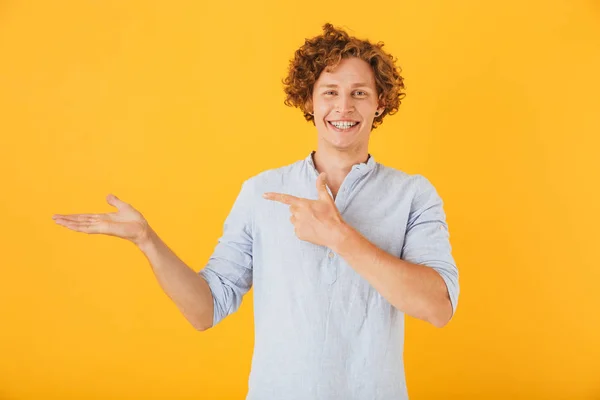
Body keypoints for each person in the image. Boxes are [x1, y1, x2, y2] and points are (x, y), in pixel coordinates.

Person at [52, 23, 459, 400]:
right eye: (330, 91)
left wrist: (340, 237)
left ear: (380, 103)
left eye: (359, 93)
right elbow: (205, 309)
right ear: (309, 100)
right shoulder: (262, 192)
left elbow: (438, 308)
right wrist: (147, 240)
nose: (344, 107)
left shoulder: (412, 194)